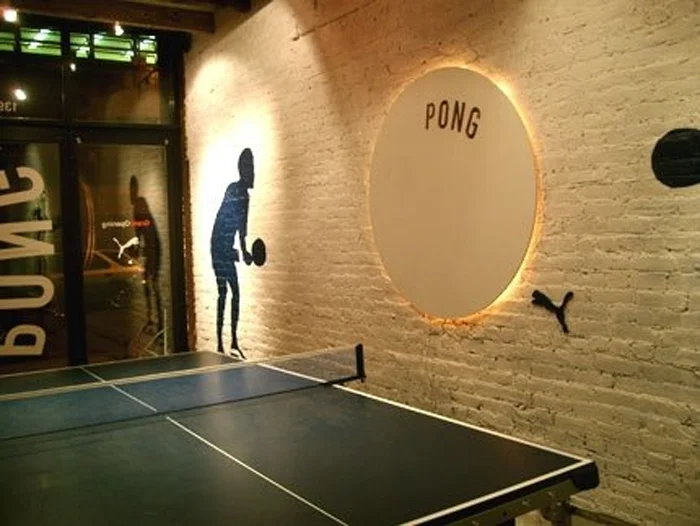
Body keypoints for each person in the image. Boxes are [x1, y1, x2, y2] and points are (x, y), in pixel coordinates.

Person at [210, 148, 255, 358]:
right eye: (249, 167)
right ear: (243, 169)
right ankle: (221, 342)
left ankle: (232, 340)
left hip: (224, 247)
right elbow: (235, 224)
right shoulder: (237, 192)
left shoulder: (241, 193)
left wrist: (243, 251)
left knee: (233, 293)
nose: (252, 172)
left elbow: (241, 227)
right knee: (225, 292)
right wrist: (241, 252)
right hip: (219, 247)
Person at [130, 175, 162, 331]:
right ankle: (152, 318)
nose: (130, 194)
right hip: (151, 250)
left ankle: (158, 320)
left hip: (153, 249)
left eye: (131, 190)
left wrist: (146, 252)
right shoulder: (138, 206)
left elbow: (145, 232)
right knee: (148, 284)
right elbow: (140, 234)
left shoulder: (139, 205)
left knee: (152, 284)